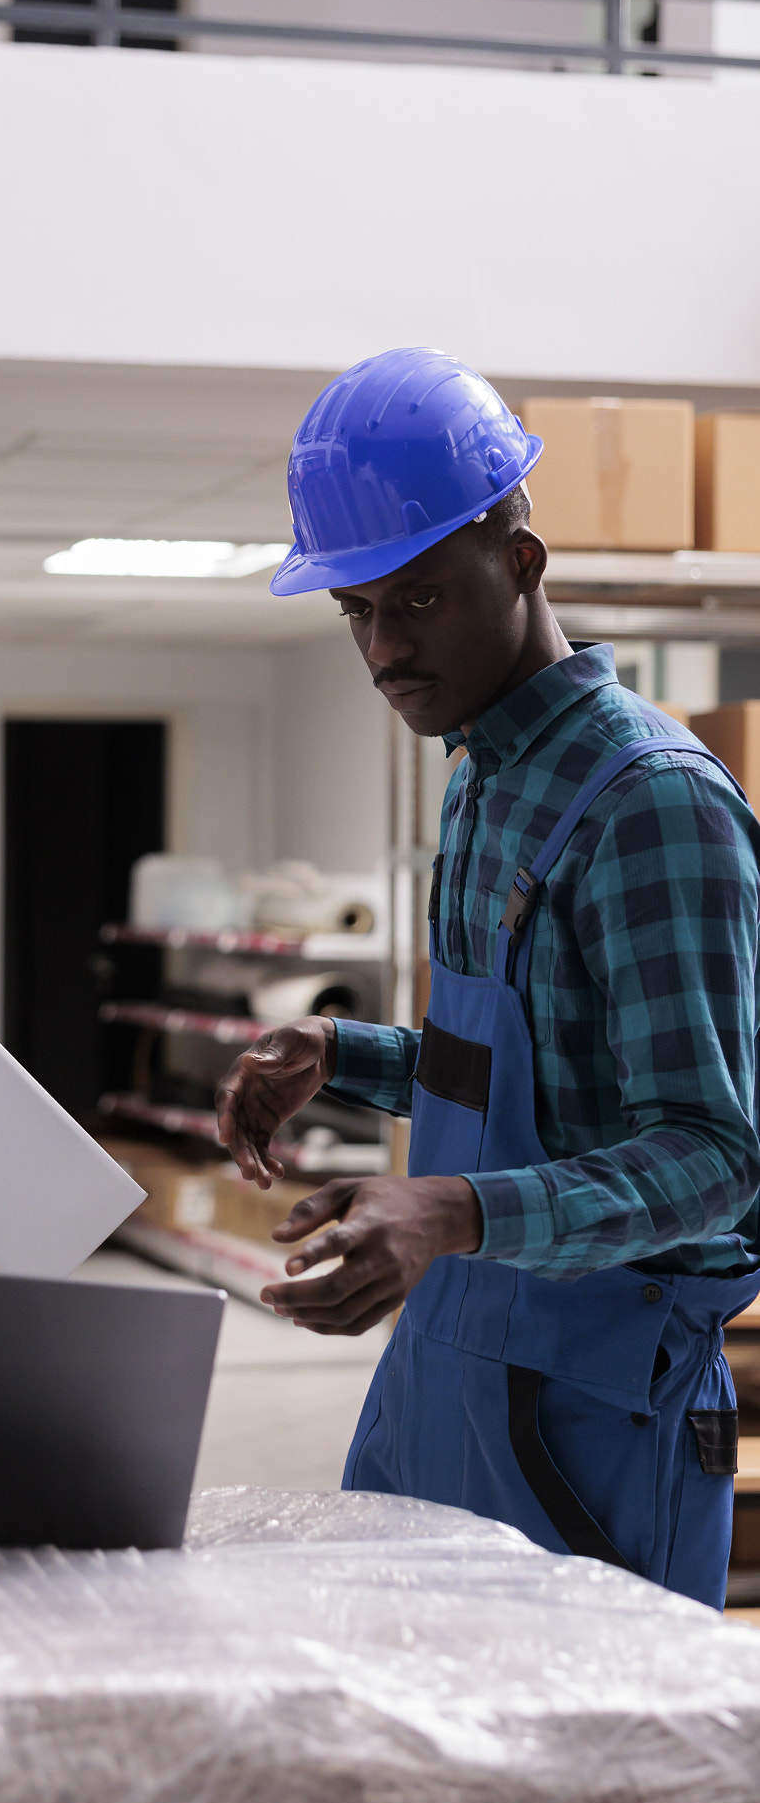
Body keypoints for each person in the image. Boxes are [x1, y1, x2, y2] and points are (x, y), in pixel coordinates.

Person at [215, 347, 760, 1607]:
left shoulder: (651, 804)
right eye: (355, 611)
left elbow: (714, 1153)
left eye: (415, 600)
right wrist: (342, 1054)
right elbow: (533, 1074)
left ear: (520, 563)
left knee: (584, 1787)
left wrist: (447, 1210)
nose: (382, 648)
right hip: (450, 1357)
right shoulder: (486, 776)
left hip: (598, 1407)